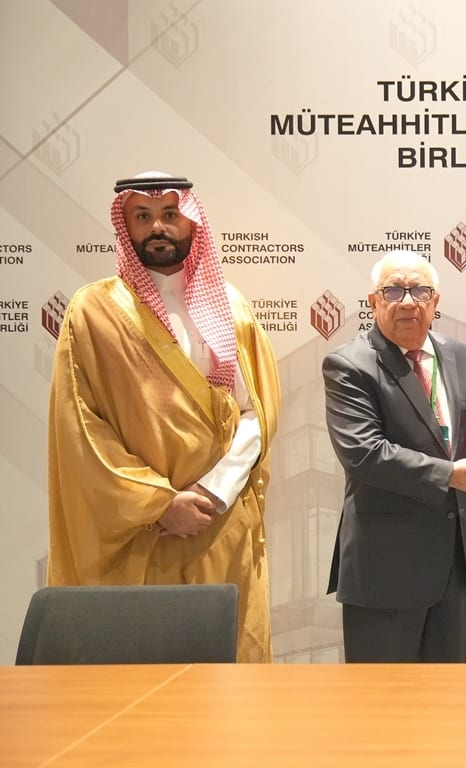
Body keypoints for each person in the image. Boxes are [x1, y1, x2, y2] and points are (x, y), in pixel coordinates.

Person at [47, 172, 281, 662]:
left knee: (226, 687)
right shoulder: (93, 311)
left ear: (190, 222)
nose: (158, 227)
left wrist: (212, 492)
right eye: (143, 216)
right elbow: (82, 430)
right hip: (140, 532)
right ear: (125, 227)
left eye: (170, 215)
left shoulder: (232, 307)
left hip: (218, 526)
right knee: (139, 691)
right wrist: (160, 503)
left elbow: (256, 413)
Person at [323, 249, 466, 662]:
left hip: (452, 568)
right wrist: (451, 476)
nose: (407, 301)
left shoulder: (458, 355)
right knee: (383, 709)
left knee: (446, 708)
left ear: (436, 301)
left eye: (419, 290)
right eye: (393, 290)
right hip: (384, 571)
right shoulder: (348, 365)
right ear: (373, 301)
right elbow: (364, 453)